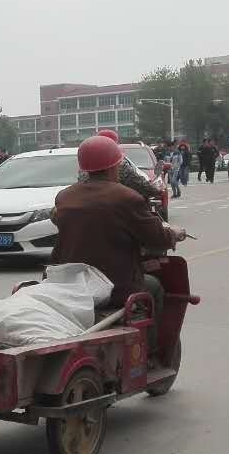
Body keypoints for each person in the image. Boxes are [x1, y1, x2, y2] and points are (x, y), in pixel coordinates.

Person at [52, 136, 186, 348]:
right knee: (155, 287)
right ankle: (148, 354)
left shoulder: (65, 197)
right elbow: (156, 238)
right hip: (114, 287)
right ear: (115, 166)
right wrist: (174, 234)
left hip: (69, 281)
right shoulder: (127, 198)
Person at [77, 130, 163, 202]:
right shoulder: (120, 165)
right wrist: (156, 191)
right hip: (119, 212)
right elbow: (139, 184)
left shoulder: (83, 171)